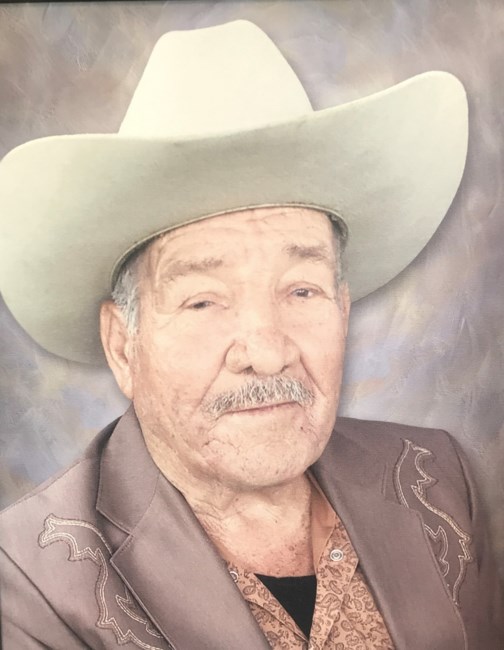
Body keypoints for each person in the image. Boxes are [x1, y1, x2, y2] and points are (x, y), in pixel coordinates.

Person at [0, 20, 501, 650]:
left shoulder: (436, 477)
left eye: (302, 290)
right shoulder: (27, 580)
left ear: (343, 309)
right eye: (204, 301)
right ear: (124, 344)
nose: (267, 353)